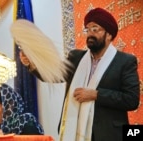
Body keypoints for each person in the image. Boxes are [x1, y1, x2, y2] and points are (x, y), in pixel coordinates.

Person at [17, 8, 140, 141]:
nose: (90, 34)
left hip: (109, 134)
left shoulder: (124, 61)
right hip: (74, 132)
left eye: (95, 29)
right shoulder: (76, 57)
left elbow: (131, 100)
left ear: (109, 35)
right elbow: (55, 75)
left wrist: (96, 94)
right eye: (87, 29)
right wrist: (32, 65)